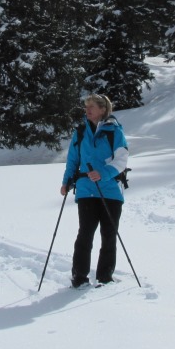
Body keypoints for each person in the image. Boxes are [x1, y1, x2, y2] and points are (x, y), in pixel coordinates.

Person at [60, 93, 129, 288]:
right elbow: (73, 159)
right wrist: (67, 182)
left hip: (111, 190)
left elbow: (122, 159)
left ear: (103, 109)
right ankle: (79, 277)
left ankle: (104, 277)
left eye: (91, 106)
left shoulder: (114, 131)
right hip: (86, 190)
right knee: (85, 234)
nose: (87, 110)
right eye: (86, 106)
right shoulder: (80, 131)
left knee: (109, 234)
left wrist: (103, 173)